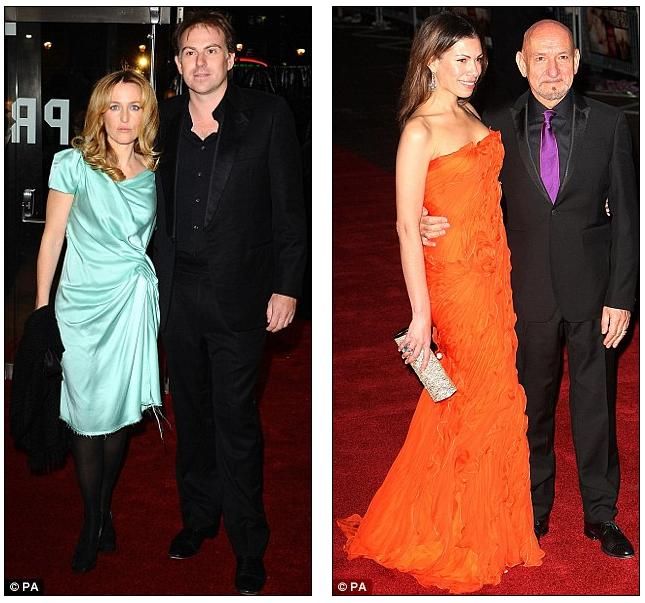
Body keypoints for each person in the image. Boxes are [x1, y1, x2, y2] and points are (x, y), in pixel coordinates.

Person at [337, 12, 544, 594]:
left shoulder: (472, 113)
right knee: (472, 396)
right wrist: (421, 314)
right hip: (454, 282)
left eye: (478, 60)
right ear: (431, 61)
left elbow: (479, 193)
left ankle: (487, 522)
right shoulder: (419, 131)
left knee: (491, 393)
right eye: (461, 60)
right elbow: (407, 227)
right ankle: (463, 532)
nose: (474, 70)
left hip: (494, 274)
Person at [420, 20, 638, 558]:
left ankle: (601, 514)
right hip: (523, 292)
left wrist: (622, 296)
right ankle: (533, 509)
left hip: (593, 293)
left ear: (578, 61)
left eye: (562, 58)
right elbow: (468, 199)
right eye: (540, 59)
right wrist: (428, 220)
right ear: (521, 64)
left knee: (595, 406)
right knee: (531, 408)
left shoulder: (611, 123)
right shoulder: (491, 126)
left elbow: (629, 218)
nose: (552, 70)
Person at [153, 11, 306, 595]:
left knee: (236, 419)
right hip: (177, 293)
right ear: (177, 62)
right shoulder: (162, 119)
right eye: (189, 52)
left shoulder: (267, 116)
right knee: (191, 413)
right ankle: (198, 519)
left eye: (211, 50)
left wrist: (287, 286)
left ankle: (248, 543)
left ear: (231, 57)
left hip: (241, 295)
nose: (200, 62)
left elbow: (290, 209)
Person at [35, 69, 162, 572]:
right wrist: (41, 311)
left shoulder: (155, 168)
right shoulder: (73, 164)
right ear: (99, 112)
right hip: (81, 309)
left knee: (116, 416)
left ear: (147, 113)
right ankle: (93, 521)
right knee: (88, 419)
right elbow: (52, 238)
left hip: (130, 305)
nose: (125, 117)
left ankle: (101, 513)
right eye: (115, 106)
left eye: (135, 106)